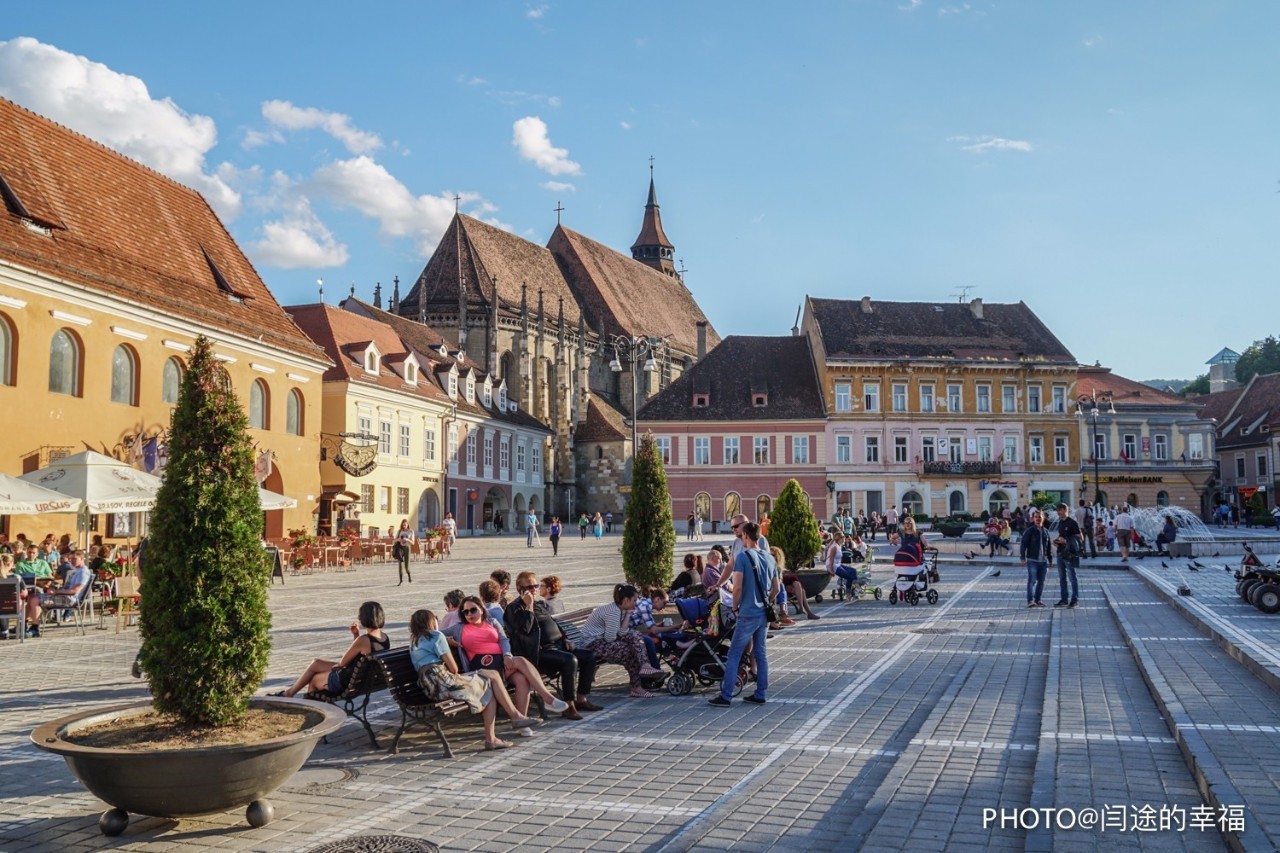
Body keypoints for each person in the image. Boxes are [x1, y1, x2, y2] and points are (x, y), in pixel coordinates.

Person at [409, 608, 539, 750]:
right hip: (444, 682)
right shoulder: (437, 636)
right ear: (430, 621)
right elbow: (454, 669)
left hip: (429, 687)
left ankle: (512, 721)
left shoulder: (414, 641)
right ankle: (505, 726)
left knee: (491, 679)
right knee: (490, 682)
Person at [443, 596, 570, 727]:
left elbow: (504, 640)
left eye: (473, 610)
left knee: (521, 679)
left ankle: (522, 721)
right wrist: (447, 640)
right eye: (465, 612)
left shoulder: (491, 622)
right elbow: (434, 634)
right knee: (520, 660)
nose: (469, 614)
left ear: (481, 609)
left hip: (502, 663)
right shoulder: (459, 628)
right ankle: (547, 698)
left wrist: (507, 655)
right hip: (483, 668)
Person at [504, 571, 602, 719]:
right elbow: (525, 630)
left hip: (558, 646)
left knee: (589, 656)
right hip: (538, 652)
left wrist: (565, 639)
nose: (534, 589)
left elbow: (553, 623)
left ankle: (581, 699)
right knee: (570, 660)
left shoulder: (539, 604)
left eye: (536, 586)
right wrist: (529, 607)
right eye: (530, 586)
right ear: (519, 588)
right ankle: (569, 706)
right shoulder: (514, 608)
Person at [710, 521, 778, 708]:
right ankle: (760, 693)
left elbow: (737, 587)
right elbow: (777, 589)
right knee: (761, 653)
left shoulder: (742, 557)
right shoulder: (770, 557)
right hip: (763, 614)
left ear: (746, 536)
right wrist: (768, 601)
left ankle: (725, 696)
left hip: (747, 613)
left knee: (734, 654)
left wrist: (734, 606)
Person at [276, 601, 390, 697]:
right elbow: (359, 655)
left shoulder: (364, 640)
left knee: (314, 680)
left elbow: (343, 662)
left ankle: (298, 701)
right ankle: (290, 694)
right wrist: (356, 636)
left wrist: (357, 638)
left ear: (364, 619)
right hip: (362, 679)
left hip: (346, 680)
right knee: (316, 663)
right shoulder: (384, 638)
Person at [579, 583, 664, 698]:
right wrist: (626, 640)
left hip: (602, 640)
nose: (636, 603)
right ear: (626, 600)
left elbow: (623, 632)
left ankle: (643, 670)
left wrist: (628, 615)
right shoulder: (613, 611)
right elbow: (610, 638)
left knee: (636, 636)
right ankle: (638, 685)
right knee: (629, 650)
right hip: (592, 643)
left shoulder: (621, 610)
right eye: (634, 600)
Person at [773, 545, 817, 621]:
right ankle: (806, 611)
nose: (771, 557)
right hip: (778, 586)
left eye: (774, 555)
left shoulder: (778, 567)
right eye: (770, 555)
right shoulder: (768, 565)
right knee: (798, 587)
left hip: (784, 583)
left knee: (797, 584)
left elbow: (781, 578)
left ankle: (803, 610)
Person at [1019, 510, 1052, 608]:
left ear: (1043, 518)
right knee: (1032, 581)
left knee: (1041, 582)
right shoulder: (1030, 531)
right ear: (1033, 519)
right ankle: (1030, 601)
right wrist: (1022, 558)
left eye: (1039, 517)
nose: (1038, 519)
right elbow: (1023, 544)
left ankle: (1038, 600)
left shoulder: (1046, 531)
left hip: (1043, 561)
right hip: (1032, 560)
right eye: (1036, 517)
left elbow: (1048, 546)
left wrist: (1050, 559)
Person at [1052, 503, 1083, 608]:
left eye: (1060, 510)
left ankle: (1075, 600)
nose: (1058, 512)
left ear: (1066, 510)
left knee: (1072, 577)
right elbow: (1062, 536)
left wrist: (1065, 540)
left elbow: (1080, 538)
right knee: (1062, 578)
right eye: (1057, 510)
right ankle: (1064, 599)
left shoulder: (1072, 523)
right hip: (1060, 552)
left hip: (1069, 554)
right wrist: (1057, 541)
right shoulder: (1060, 522)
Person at [393, 519, 415, 585]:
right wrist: (399, 539)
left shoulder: (411, 531)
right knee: (400, 564)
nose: (404, 526)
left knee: (406, 565)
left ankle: (409, 575)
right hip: (400, 548)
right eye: (403, 525)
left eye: (405, 525)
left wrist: (407, 539)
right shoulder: (400, 531)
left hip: (407, 548)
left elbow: (413, 542)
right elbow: (394, 541)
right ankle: (401, 580)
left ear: (407, 524)